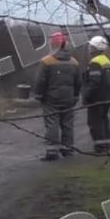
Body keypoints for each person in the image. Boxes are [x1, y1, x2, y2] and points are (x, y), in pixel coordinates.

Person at [33, 32, 82, 160]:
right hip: (69, 98)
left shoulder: (46, 61)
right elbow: (78, 82)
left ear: (53, 44)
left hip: (51, 98)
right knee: (67, 123)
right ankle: (68, 149)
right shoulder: (74, 62)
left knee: (52, 123)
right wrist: (76, 96)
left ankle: (52, 151)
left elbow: (40, 81)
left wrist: (38, 95)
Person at [83, 35, 110, 154]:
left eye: (91, 46)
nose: (89, 48)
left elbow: (94, 82)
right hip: (107, 96)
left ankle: (100, 147)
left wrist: (87, 95)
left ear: (95, 48)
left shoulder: (95, 63)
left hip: (97, 98)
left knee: (95, 122)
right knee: (104, 121)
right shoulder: (106, 61)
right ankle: (107, 145)